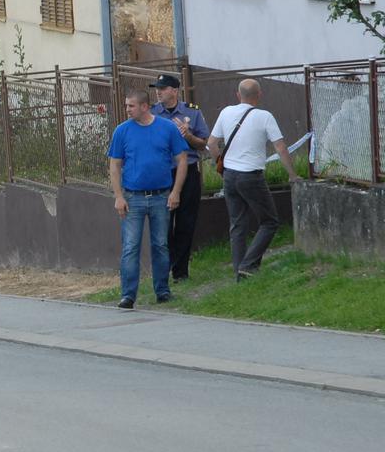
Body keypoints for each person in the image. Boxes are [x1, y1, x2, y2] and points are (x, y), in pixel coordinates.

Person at [207, 78, 300, 281]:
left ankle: (239, 272)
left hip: (229, 175)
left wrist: (220, 164)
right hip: (251, 176)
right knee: (269, 221)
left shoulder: (225, 112)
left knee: (238, 225)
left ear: (238, 95)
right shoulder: (264, 116)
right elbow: (281, 148)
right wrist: (292, 175)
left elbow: (212, 144)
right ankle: (248, 265)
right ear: (259, 95)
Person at [107, 90, 189, 309]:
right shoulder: (122, 131)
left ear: (144, 106)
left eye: (131, 106)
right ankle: (128, 295)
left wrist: (176, 191)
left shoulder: (167, 128)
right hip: (133, 197)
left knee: (161, 245)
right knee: (130, 246)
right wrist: (118, 196)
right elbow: (114, 165)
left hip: (161, 196)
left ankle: (162, 290)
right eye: (126, 105)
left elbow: (182, 159)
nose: (127, 109)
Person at [150, 73, 209, 282]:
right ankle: (164, 269)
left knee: (185, 223)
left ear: (174, 91)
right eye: (157, 88)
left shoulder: (192, 113)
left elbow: (204, 144)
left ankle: (181, 272)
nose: (158, 92)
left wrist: (188, 136)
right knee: (163, 224)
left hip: (189, 171)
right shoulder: (152, 114)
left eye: (163, 88)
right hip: (163, 173)